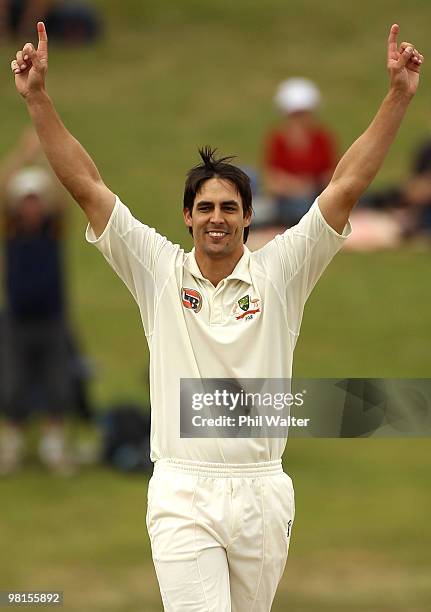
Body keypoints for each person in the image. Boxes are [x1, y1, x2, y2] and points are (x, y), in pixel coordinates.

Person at [9, 21, 423, 610]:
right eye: (205, 207)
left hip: (263, 492)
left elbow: (346, 185)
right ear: (186, 216)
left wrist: (398, 96)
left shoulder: (283, 272)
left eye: (230, 207)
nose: (217, 218)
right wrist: (38, 99)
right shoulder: (157, 270)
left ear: (249, 217)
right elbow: (88, 187)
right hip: (183, 488)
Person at [0, 128, 74, 475]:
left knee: (57, 384)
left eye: (35, 199)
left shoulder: (53, 228)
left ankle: (54, 448)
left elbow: (62, 194)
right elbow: (3, 186)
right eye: (25, 199)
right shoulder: (11, 230)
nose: (31, 205)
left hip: (52, 319)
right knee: (12, 386)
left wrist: (45, 154)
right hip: (17, 320)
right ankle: (10, 449)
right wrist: (22, 153)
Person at [264, 77, 337, 227]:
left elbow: (333, 174)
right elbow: (272, 181)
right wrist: (297, 187)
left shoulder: (322, 138)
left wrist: (313, 185)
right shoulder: (278, 139)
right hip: (289, 201)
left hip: (318, 197)